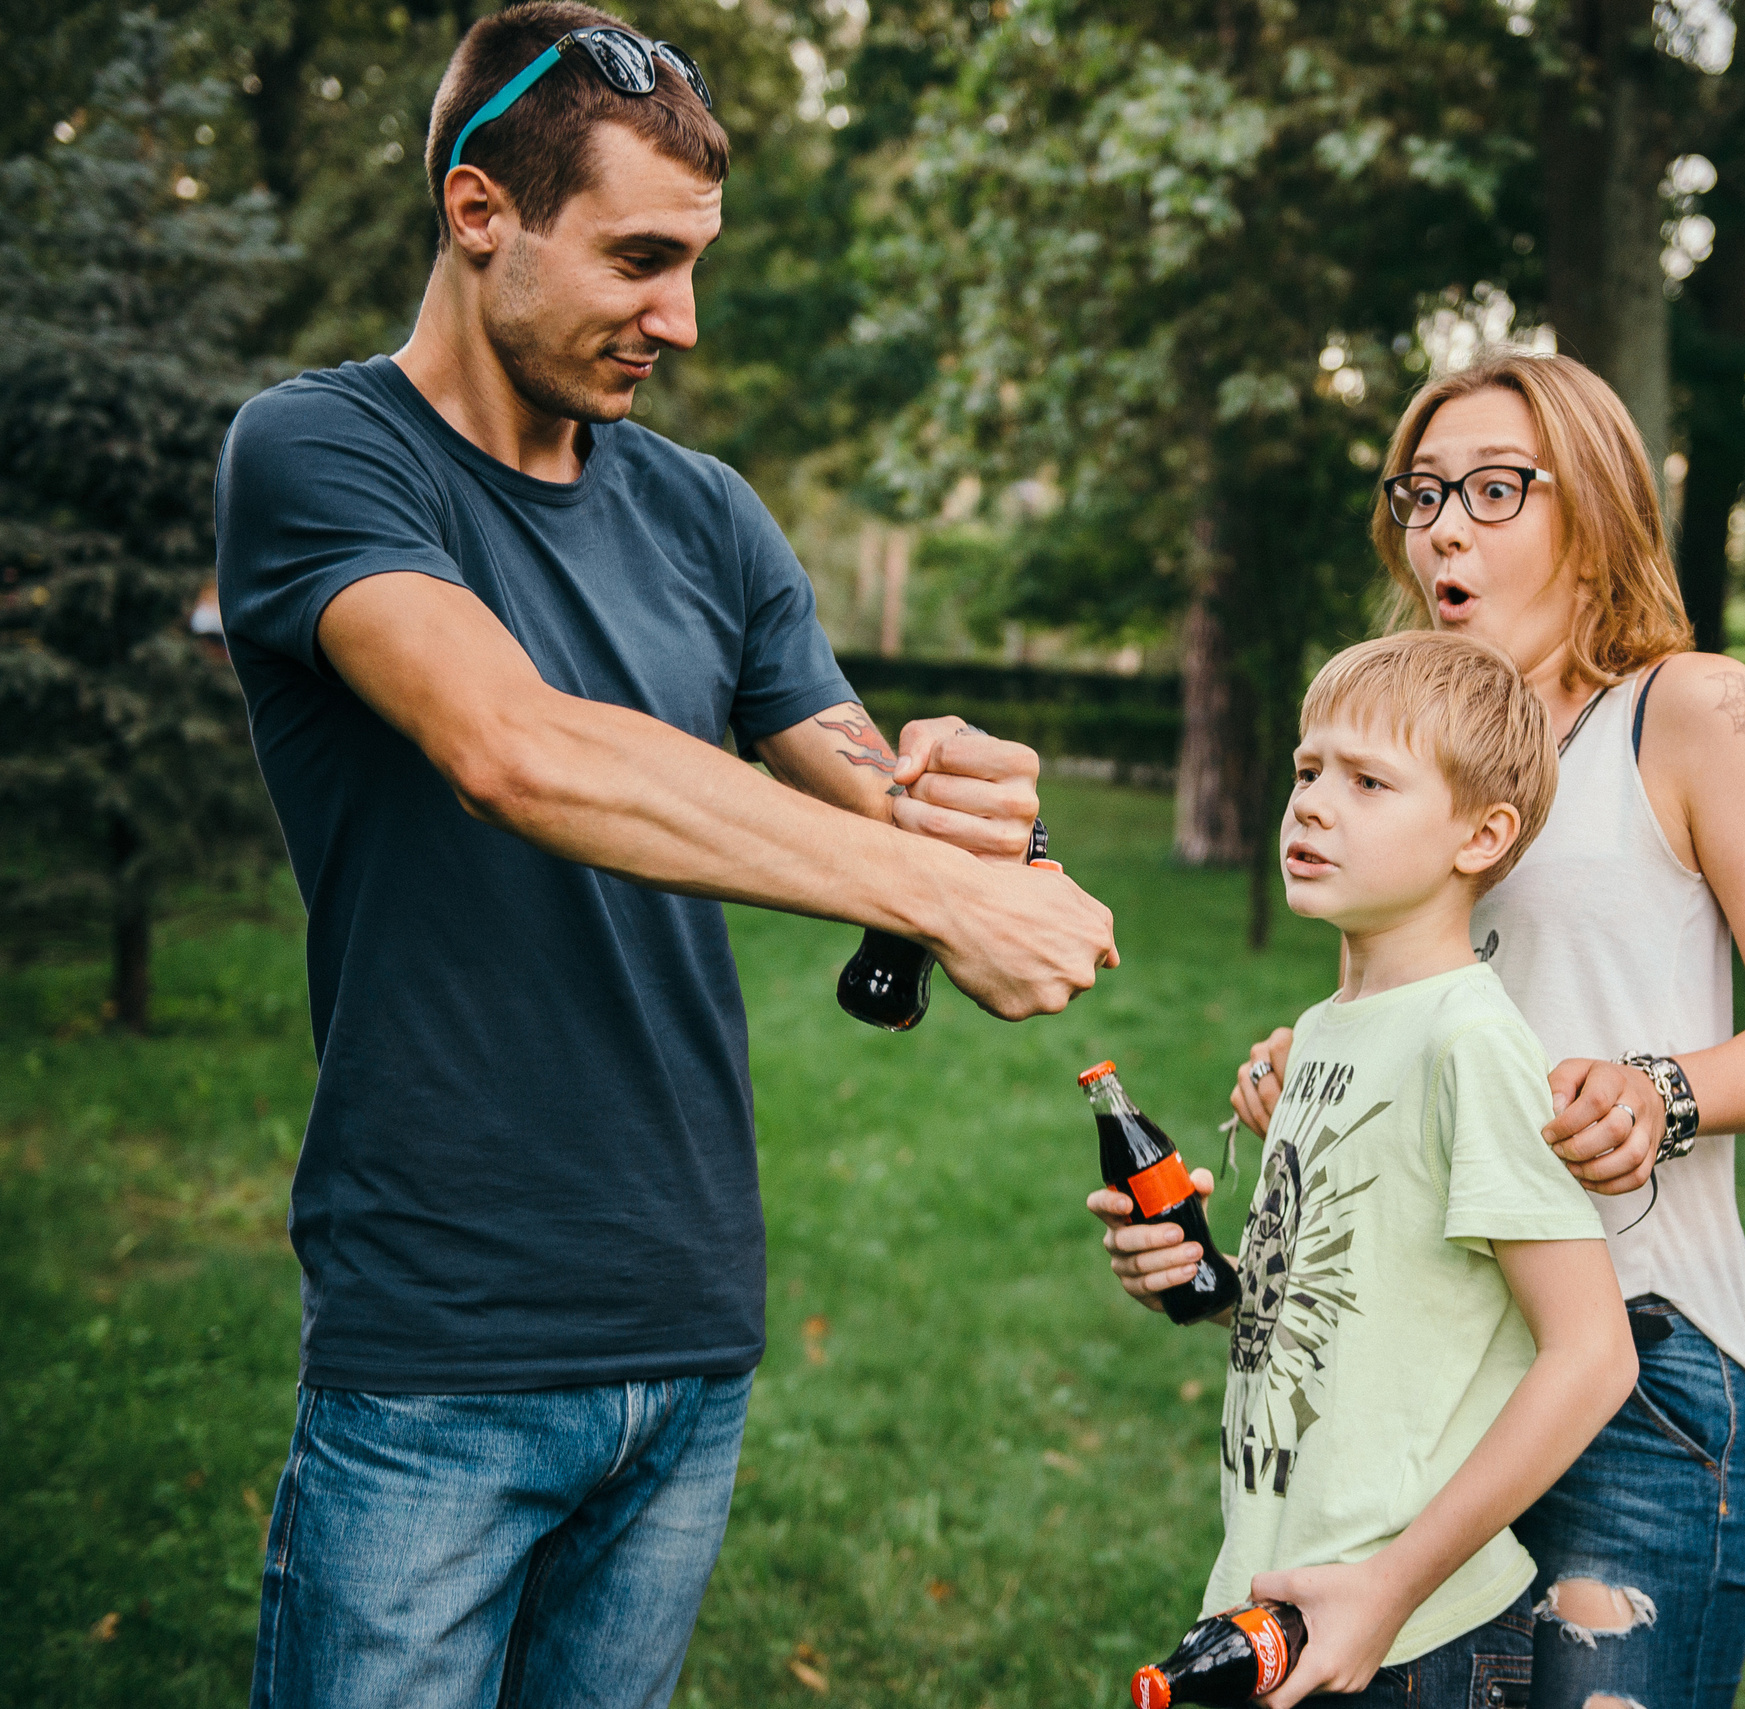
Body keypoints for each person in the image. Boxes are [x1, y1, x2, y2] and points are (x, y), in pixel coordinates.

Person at [213, 6, 1118, 1705]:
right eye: (639, 258)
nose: (680, 320)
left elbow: (868, 790)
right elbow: (514, 746)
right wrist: (934, 886)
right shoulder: (322, 454)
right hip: (445, 1347)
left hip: (691, 1324)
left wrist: (983, 816)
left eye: (694, 262)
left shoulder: (706, 512)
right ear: (480, 213)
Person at [1102, 352, 1745, 1709]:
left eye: (1497, 488)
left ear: (1601, 513)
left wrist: (1656, 1092)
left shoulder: (1688, 708)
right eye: (1422, 492)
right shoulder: (1420, 747)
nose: (1443, 525)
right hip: (1439, 1382)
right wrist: (1326, 1061)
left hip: (1636, 1358)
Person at [1093, 632, 1637, 1709]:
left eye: (1368, 781)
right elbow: (1348, 1292)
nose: (1312, 804)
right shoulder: (1325, 1032)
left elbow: (1592, 1353)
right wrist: (1209, 1280)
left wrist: (1391, 1584)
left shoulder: (1467, 1045)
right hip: (1287, 1582)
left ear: (1480, 835)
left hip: (1408, 1628)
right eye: (1306, 771)